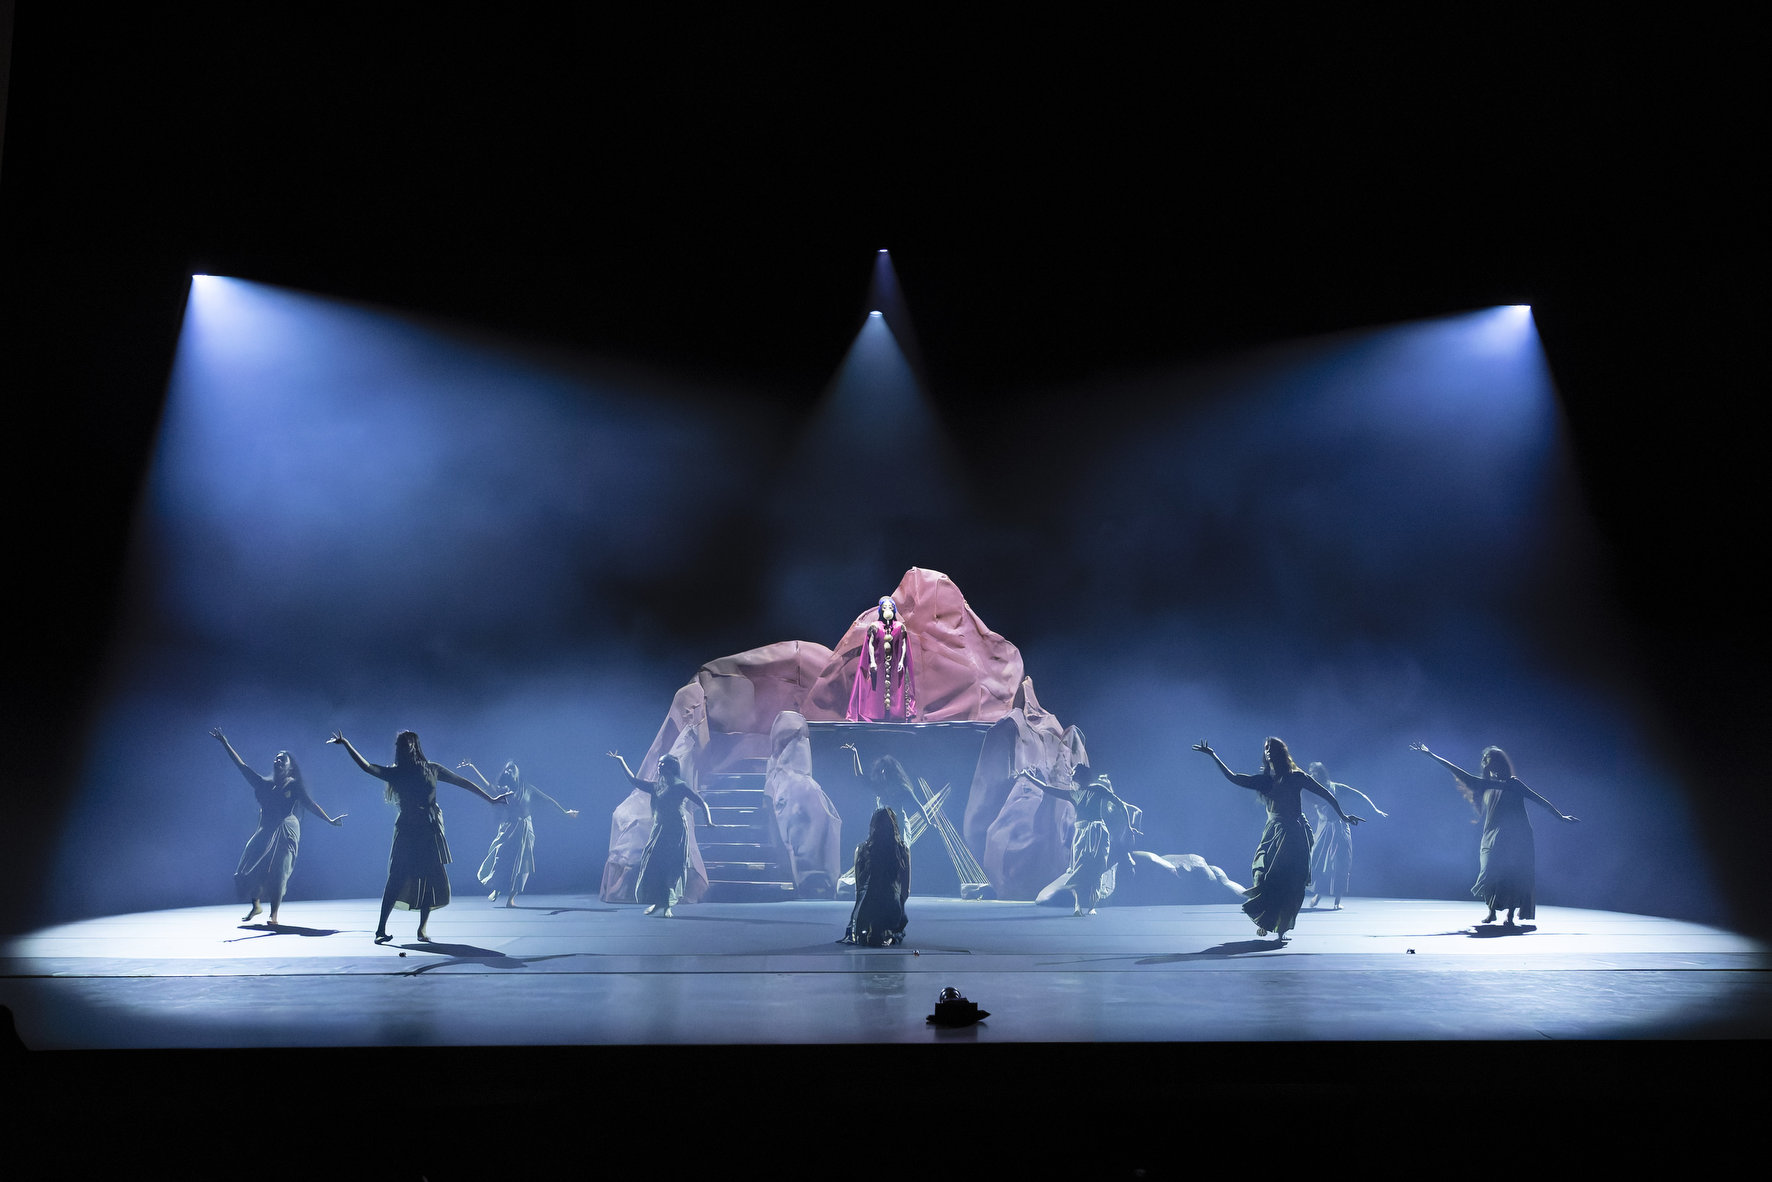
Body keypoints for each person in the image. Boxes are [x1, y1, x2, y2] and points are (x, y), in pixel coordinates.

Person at [329, 729, 510, 943]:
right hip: (407, 829)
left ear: (414, 746)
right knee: (396, 876)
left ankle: (422, 928)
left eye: (405, 744)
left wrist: (489, 798)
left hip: (429, 828)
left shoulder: (432, 769)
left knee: (429, 877)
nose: (401, 748)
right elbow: (367, 767)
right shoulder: (396, 772)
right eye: (399, 745)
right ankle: (380, 928)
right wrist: (347, 744)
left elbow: (462, 782)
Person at [1193, 737, 1364, 940]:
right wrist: (1213, 756)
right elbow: (1234, 777)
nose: (1267, 751)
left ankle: (1281, 929)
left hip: (1295, 832)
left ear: (1280, 752)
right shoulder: (1265, 780)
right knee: (1265, 876)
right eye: (1265, 748)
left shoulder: (1297, 777)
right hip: (1274, 832)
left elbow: (1326, 793)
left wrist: (1343, 816)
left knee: (1291, 880)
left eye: (1271, 748)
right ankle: (1268, 919)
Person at [1410, 742, 1578, 926]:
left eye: (1488, 759)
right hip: (1492, 834)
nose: (1484, 763)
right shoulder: (1485, 783)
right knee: (1489, 870)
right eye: (1484, 760)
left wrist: (1560, 816)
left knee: (1514, 873)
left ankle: (1510, 916)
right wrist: (1431, 755)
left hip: (1517, 835)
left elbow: (1539, 800)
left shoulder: (1514, 784)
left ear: (1498, 763)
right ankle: (1492, 911)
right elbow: (1459, 772)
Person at [210, 728, 344, 925]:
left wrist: (330, 820)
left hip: (287, 829)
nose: (278, 760)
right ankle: (256, 905)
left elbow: (310, 804)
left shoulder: (294, 785)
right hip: (266, 828)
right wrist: (225, 743)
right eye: (276, 758)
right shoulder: (263, 784)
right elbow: (242, 766)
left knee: (279, 872)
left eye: (283, 759)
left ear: (290, 767)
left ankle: (274, 916)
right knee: (252, 865)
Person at [1015, 767, 1142, 915]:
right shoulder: (1073, 794)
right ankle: (1078, 905)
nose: (1071, 775)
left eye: (1074, 773)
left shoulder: (1097, 789)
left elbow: (1120, 804)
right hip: (1081, 834)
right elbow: (1046, 788)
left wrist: (1129, 826)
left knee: (1098, 867)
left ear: (1081, 776)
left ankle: (1092, 904)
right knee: (1079, 867)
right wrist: (1028, 777)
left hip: (1098, 832)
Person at [459, 759, 579, 907]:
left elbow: (548, 800)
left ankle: (511, 899)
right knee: (500, 857)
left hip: (525, 828)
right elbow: (488, 787)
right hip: (509, 828)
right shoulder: (503, 789)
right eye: (506, 770)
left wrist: (564, 812)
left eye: (511, 769)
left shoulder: (528, 789)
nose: (508, 771)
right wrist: (472, 768)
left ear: (518, 773)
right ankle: (497, 888)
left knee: (522, 864)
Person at [607, 751, 713, 917]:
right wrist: (621, 761)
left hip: (676, 832)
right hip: (659, 831)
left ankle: (667, 905)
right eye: (659, 763)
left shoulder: (680, 786)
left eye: (663, 764)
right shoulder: (657, 786)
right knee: (654, 866)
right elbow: (634, 781)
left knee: (671, 867)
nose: (659, 766)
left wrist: (708, 821)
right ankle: (658, 902)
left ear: (671, 767)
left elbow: (701, 802)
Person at [1304, 761, 1387, 910]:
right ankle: (1318, 893)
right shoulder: (1311, 788)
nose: (1313, 775)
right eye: (1312, 773)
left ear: (1322, 773)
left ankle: (1337, 900)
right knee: (1318, 863)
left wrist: (1375, 810)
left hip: (1339, 828)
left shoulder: (1337, 788)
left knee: (1341, 863)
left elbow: (1359, 795)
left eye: (1316, 773)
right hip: (1323, 830)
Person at [841, 806, 911, 946]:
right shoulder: (903, 850)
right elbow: (905, 891)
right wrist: (900, 909)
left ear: (872, 826)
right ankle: (887, 931)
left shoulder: (861, 850)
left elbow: (859, 888)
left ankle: (869, 928)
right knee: (893, 917)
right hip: (892, 905)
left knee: (865, 916)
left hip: (867, 906)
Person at [846, 595, 917, 722]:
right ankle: (875, 714)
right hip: (878, 664)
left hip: (895, 664)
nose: (887, 609)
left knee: (896, 688)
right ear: (881, 610)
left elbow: (904, 645)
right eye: (885, 607)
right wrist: (872, 661)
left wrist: (901, 661)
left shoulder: (899, 627)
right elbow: (870, 644)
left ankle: (895, 714)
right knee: (876, 689)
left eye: (890, 607)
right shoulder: (875, 626)